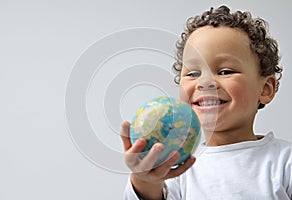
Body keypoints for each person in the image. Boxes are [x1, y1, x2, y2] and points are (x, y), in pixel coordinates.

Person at [121, 5, 292, 199]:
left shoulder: (285, 162)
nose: (205, 82)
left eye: (225, 72)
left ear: (266, 89)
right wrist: (145, 181)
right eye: (193, 73)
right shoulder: (176, 167)